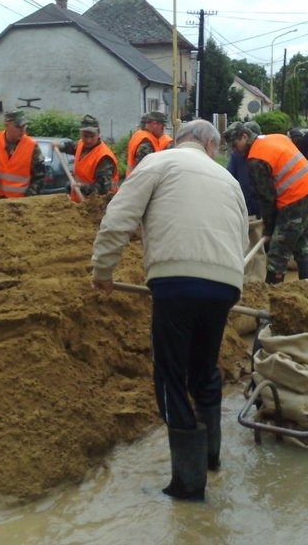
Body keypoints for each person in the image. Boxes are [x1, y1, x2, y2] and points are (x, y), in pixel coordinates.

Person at [91, 119, 249, 501]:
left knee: (170, 375)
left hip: (176, 280)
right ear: (211, 146)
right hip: (225, 284)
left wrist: (102, 271)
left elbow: (118, 218)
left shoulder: (159, 163)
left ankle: (188, 484)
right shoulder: (228, 180)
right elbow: (242, 235)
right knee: (204, 368)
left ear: (179, 140)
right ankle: (211, 459)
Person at [224, 121, 308, 284]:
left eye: (235, 145)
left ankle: (273, 294)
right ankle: (307, 285)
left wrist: (270, 228)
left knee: (277, 251)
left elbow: (266, 198)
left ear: (244, 136)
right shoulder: (276, 138)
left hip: (297, 199)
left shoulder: (256, 159)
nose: (234, 150)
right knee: (300, 241)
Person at [0, 110, 46, 198]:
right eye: (18, 126)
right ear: (6, 125)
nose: (22, 130)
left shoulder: (32, 146)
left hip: (21, 201)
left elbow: (40, 177)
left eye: (24, 126)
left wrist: (28, 197)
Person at [53, 114, 119, 202]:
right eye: (85, 136)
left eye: (92, 136)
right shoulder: (81, 144)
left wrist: (82, 187)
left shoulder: (104, 157)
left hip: (98, 206)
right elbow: (73, 147)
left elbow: (102, 189)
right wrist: (60, 146)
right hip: (80, 202)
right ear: (80, 134)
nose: (88, 140)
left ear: (98, 134)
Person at [226, 120, 261, 217]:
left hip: (251, 206)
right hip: (248, 205)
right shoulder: (237, 155)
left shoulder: (237, 154)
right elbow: (229, 178)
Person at [125, 111, 172, 177]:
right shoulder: (146, 142)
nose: (163, 131)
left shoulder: (138, 135)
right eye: (163, 127)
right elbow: (146, 170)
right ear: (154, 124)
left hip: (133, 180)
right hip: (141, 183)